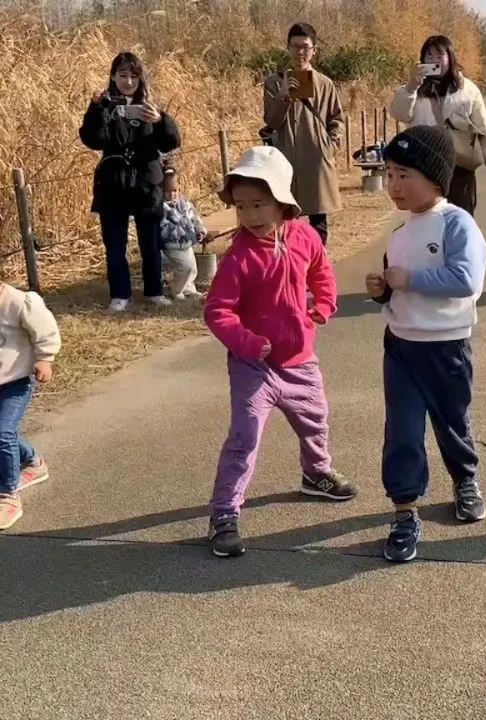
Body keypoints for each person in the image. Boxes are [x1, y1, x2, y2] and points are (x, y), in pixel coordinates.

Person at [204, 145, 357, 558]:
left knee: (315, 420)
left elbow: (321, 270)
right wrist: (247, 342)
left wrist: (324, 302)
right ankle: (224, 512)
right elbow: (217, 311)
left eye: (259, 204)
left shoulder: (305, 236)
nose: (250, 215)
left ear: (282, 201)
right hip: (253, 366)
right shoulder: (238, 258)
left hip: (300, 360)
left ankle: (316, 473)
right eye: (241, 207)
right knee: (245, 437)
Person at [365, 125, 486, 564]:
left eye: (404, 175)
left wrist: (409, 279)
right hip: (400, 345)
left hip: (446, 347)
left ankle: (465, 479)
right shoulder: (400, 232)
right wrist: (382, 290)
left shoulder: (457, 223)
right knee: (402, 429)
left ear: (435, 179)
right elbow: (397, 287)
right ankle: (404, 510)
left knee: (452, 423)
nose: (393, 185)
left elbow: (466, 279)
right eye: (389, 175)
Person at [79, 51, 182, 312]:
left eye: (134, 77)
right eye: (123, 75)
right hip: (114, 181)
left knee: (150, 241)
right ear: (113, 76)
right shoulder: (105, 105)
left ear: (140, 78)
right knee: (115, 242)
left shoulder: (149, 104)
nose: (128, 82)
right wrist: (96, 109)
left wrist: (159, 120)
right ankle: (120, 294)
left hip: (147, 180)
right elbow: (94, 140)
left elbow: (171, 142)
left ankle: (154, 291)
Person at [389, 35, 486, 216]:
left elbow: (484, 127)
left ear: (450, 57)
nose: (434, 60)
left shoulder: (468, 90)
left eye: (439, 55)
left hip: (460, 167)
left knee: (461, 218)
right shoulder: (415, 90)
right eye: (429, 56)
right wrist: (411, 86)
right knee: (427, 218)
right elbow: (399, 114)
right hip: (424, 169)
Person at [262, 22, 344, 247]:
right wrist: (283, 96)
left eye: (305, 47)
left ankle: (318, 261)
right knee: (287, 218)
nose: (300, 52)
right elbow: (271, 122)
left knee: (318, 220)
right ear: (287, 48)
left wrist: (331, 144)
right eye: (295, 46)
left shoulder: (325, 83)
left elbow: (336, 118)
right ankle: (291, 262)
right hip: (285, 158)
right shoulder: (274, 82)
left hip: (316, 158)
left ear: (314, 50)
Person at [0, 279, 61, 531]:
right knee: (4, 432)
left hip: (16, 382)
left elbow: (45, 330)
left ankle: (7, 494)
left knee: (2, 432)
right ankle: (34, 463)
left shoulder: (18, 302)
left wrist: (45, 358)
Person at [159, 166, 206, 300]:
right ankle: (177, 290)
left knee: (192, 268)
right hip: (172, 244)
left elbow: (195, 218)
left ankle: (188, 288)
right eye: (167, 191)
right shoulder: (162, 208)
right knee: (185, 268)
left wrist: (200, 229)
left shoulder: (185, 204)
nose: (171, 195)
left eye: (174, 191)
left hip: (187, 241)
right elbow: (161, 225)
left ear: (179, 188)